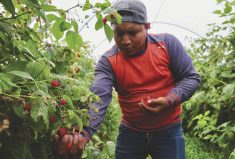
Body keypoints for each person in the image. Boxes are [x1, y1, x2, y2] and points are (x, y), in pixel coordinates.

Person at [53, 0, 201, 158]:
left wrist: (169, 100)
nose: (126, 41)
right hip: (131, 133)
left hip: (168, 130)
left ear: (147, 27)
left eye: (133, 32)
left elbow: (191, 77)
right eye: (119, 33)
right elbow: (99, 96)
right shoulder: (108, 61)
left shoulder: (167, 45)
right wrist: (83, 133)